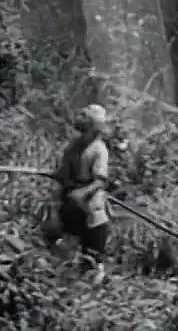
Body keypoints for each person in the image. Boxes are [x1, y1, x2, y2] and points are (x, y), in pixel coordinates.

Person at [50, 104, 111, 283]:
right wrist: (64, 182)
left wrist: (82, 193)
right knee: (67, 244)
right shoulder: (72, 148)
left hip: (91, 204)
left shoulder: (99, 149)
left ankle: (95, 278)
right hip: (70, 202)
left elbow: (100, 180)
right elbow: (64, 174)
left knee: (93, 249)